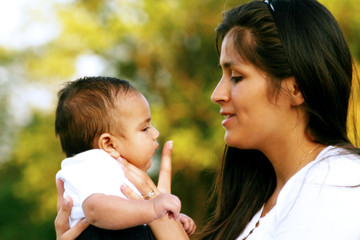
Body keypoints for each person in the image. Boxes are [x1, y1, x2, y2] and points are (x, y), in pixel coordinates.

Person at [55, 0, 360, 239]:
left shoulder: (339, 182)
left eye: (237, 76)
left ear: (296, 88)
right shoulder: (258, 198)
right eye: (222, 75)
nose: (217, 94)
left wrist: (153, 210)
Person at [55, 76, 195, 239]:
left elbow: (130, 212)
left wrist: (170, 218)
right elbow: (95, 209)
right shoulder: (93, 163)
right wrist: (152, 209)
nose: (155, 133)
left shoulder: (117, 171)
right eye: (144, 128)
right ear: (109, 144)